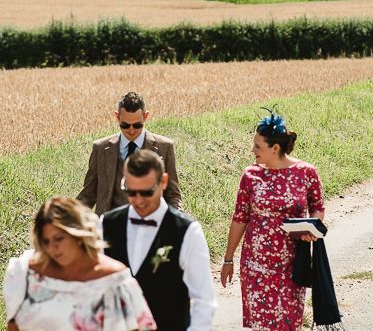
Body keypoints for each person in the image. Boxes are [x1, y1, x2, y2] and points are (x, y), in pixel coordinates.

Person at [221, 111, 325, 330]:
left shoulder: (306, 172)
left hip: (292, 264)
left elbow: (317, 208)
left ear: (275, 148)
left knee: (288, 323)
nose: (253, 150)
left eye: (258, 146)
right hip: (255, 265)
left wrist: (312, 229)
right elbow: (240, 218)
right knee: (260, 325)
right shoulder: (250, 175)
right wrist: (228, 260)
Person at [101, 150, 216, 331]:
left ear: (163, 182)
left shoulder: (187, 231)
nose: (138, 201)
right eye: (131, 192)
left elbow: (204, 300)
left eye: (147, 193)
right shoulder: (106, 224)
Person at [3, 196, 156, 331]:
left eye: (59, 238)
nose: (52, 248)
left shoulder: (115, 281)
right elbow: (13, 327)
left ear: (77, 234)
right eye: (46, 241)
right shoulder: (25, 273)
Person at [78, 92, 181, 215]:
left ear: (145, 116)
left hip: (150, 226)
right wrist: (67, 218)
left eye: (137, 125)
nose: (131, 131)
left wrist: (177, 223)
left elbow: (173, 194)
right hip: (111, 227)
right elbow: (88, 194)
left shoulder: (165, 147)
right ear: (117, 117)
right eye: (125, 125)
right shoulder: (100, 148)